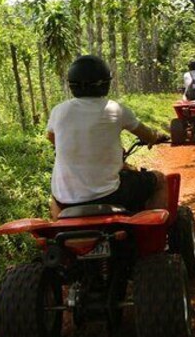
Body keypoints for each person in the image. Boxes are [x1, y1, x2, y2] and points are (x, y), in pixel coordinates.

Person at [46, 55, 170, 219]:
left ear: (71, 85)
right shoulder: (116, 109)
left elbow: (51, 138)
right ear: (105, 83)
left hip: (65, 200)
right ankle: (156, 236)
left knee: (52, 200)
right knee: (159, 180)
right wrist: (156, 137)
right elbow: (147, 135)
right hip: (110, 195)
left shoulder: (58, 111)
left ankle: (59, 232)